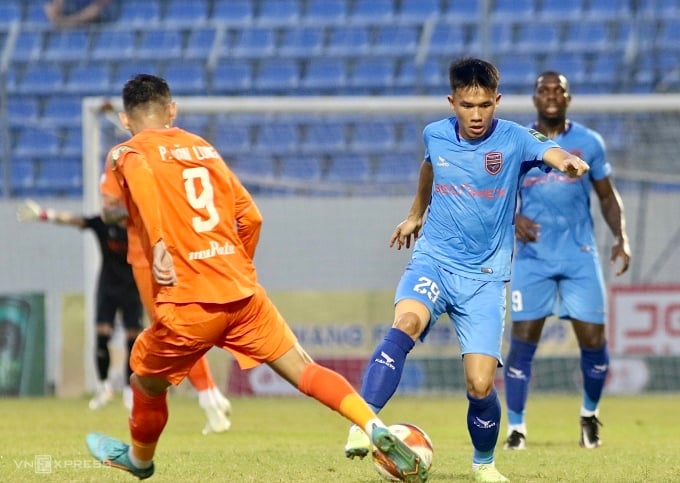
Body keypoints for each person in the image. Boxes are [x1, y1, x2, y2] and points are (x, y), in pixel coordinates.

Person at [85, 73, 428, 482]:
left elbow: (141, 184)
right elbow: (251, 216)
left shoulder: (126, 152)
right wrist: (237, 265)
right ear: (172, 110)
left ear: (125, 120)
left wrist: (158, 243)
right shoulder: (204, 149)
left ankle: (140, 462)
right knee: (305, 369)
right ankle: (373, 426)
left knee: (145, 383)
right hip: (242, 293)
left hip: (188, 302)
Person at [342, 58, 590, 483]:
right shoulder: (435, 134)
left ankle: (483, 465)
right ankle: (363, 424)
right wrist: (416, 214)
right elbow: (429, 165)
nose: (476, 115)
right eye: (466, 105)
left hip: (485, 279)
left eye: (484, 106)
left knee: (479, 384)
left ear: (497, 101)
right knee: (405, 323)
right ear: (451, 101)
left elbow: (550, 150)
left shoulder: (514, 138)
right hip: (434, 262)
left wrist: (566, 161)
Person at [502, 71, 631, 451]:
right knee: (523, 341)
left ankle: (589, 416)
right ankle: (517, 429)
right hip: (533, 258)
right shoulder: (521, 142)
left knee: (593, 341)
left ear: (569, 98)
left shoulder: (589, 142)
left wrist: (622, 238)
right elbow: (496, 192)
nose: (551, 95)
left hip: (579, 256)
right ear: (535, 98)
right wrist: (513, 218)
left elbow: (607, 196)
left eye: (558, 89)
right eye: (544, 90)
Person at [100, 159, 234, 435]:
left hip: (151, 258)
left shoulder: (123, 156)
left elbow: (109, 211)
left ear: (128, 120)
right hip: (187, 250)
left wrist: (141, 209)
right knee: (181, 327)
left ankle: (209, 400)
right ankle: (211, 397)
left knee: (173, 329)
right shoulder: (183, 149)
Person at [16, 199, 142, 410]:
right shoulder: (103, 224)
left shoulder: (140, 227)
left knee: (134, 340)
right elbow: (74, 220)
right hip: (108, 288)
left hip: (132, 288)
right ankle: (104, 388)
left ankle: (130, 392)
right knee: (102, 335)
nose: (110, 209)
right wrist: (44, 214)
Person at [44, 0, 121, 29]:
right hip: (68, 34)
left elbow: (94, 12)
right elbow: (53, 13)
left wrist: (66, 21)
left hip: (99, 28)